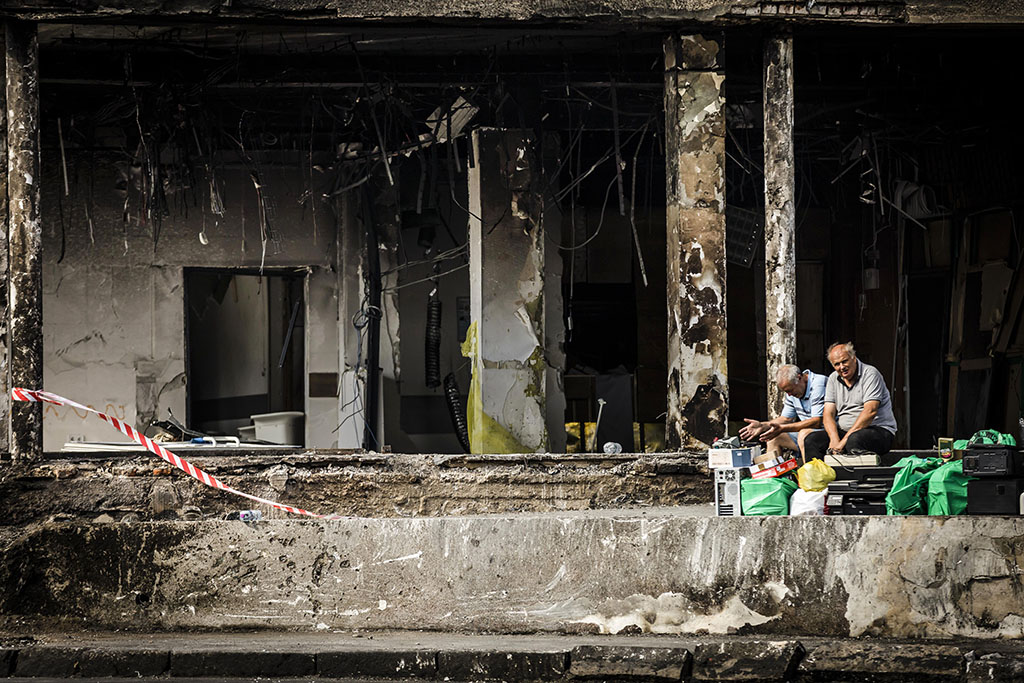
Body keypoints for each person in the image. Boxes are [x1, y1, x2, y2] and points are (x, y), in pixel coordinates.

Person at [803, 342, 897, 459]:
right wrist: (834, 439)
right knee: (812, 440)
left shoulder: (870, 374)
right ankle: (819, 476)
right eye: (837, 364)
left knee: (854, 441)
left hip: (878, 431)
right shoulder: (833, 379)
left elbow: (870, 411)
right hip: (846, 432)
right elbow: (828, 413)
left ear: (854, 358)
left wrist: (843, 442)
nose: (842, 367)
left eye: (844, 361)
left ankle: (857, 476)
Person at [739, 364, 828, 463]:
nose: (789, 395)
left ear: (799, 378)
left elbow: (816, 422)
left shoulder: (818, 383)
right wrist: (763, 425)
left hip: (828, 434)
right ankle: (773, 477)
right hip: (807, 435)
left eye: (790, 390)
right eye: (786, 392)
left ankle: (808, 475)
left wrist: (783, 428)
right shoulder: (792, 391)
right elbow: (786, 419)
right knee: (774, 437)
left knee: (804, 434)